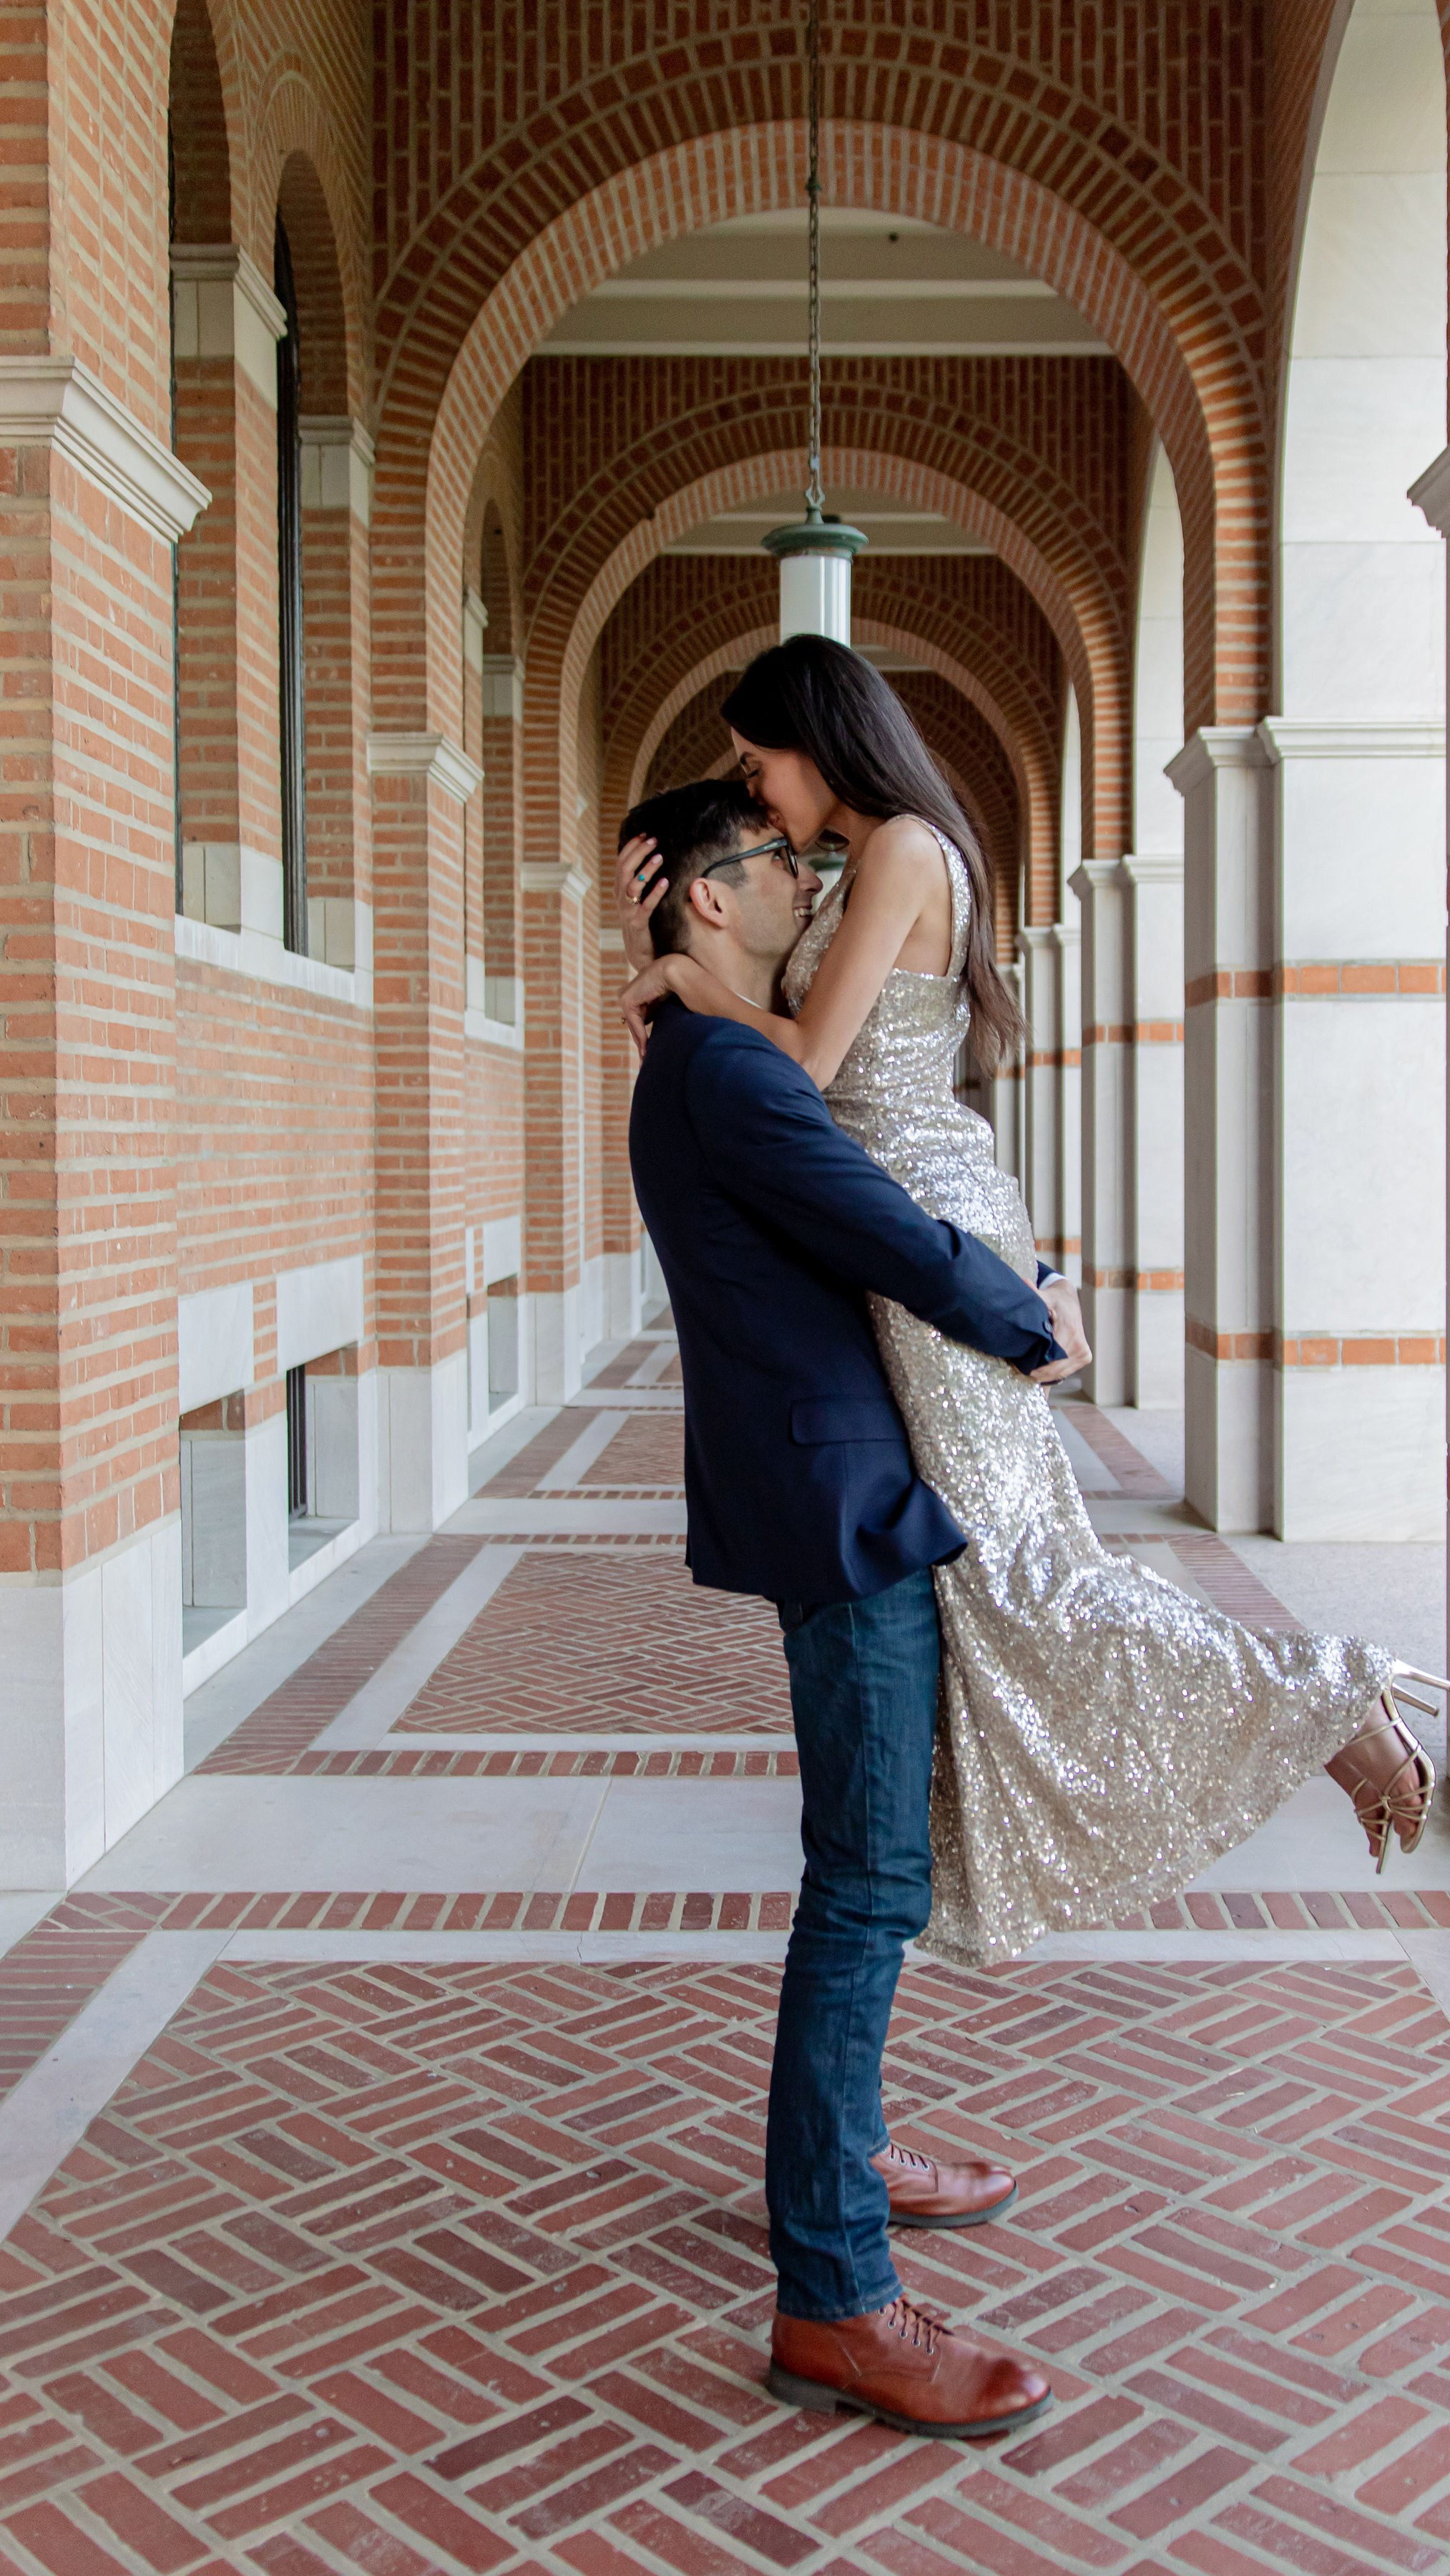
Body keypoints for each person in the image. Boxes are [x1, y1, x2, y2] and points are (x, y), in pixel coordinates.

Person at [618, 636, 1444, 1974]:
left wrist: (684, 979)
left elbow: (808, 1057)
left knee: (1025, 1573)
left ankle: (1327, 1703)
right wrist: (662, 933)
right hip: (896, 1227)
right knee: (996, 1583)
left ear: (817, 739)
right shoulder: (864, 858)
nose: (753, 788)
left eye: (757, 757)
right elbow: (773, 994)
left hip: (923, 1229)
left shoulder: (897, 851)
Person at [624, 775, 1092, 2439]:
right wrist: (1028, 1315)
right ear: (697, 896)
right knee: (864, 1885)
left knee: (863, 1874)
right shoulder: (732, 1068)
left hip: (835, 1486)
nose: (805, 882)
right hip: (843, 1511)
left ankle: (846, 2150)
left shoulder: (708, 1053)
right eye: (771, 863)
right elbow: (881, 1229)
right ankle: (833, 2295)